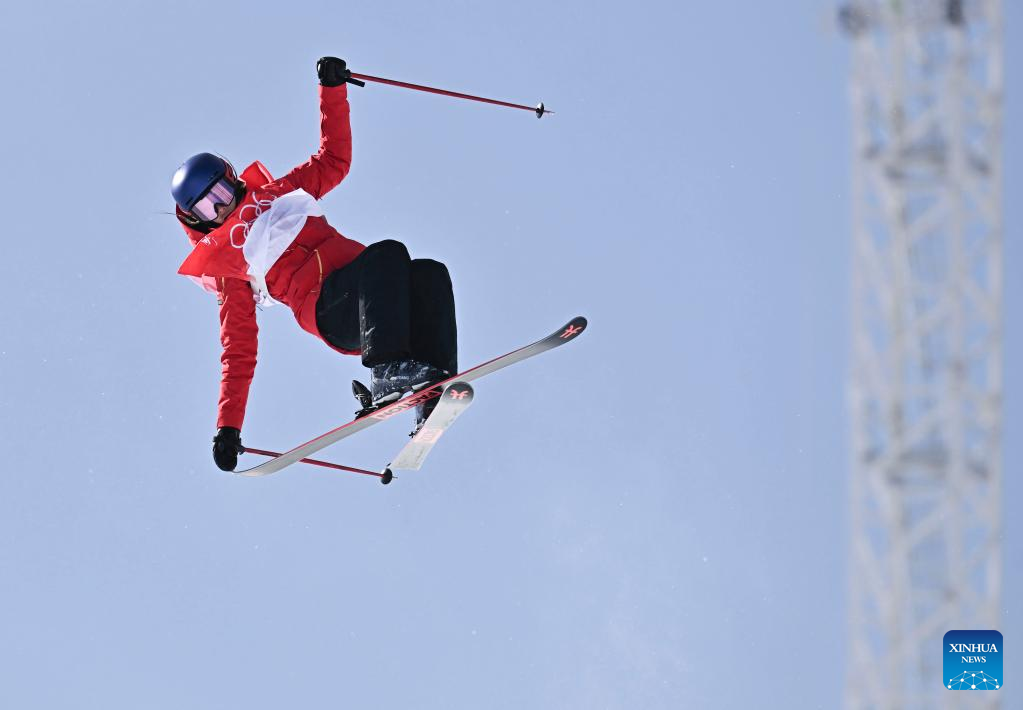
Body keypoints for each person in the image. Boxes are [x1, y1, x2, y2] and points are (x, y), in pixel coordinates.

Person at [171, 57, 457, 472]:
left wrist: (333, 91)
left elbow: (334, 160)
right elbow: (238, 351)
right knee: (387, 251)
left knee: (430, 273)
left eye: (220, 191)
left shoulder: (279, 193)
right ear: (195, 219)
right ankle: (386, 372)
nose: (221, 206)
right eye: (207, 206)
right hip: (333, 312)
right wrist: (228, 427)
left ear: (231, 178)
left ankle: (433, 387)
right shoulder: (228, 263)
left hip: (375, 297)